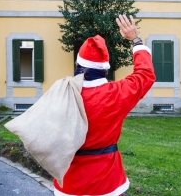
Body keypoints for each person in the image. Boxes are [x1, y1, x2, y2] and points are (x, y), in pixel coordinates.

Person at [53, 15, 155, 196]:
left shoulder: (62, 91)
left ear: (78, 65)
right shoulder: (117, 93)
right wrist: (135, 40)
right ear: (105, 70)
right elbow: (145, 74)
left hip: (68, 182)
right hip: (107, 182)